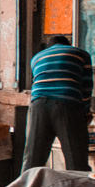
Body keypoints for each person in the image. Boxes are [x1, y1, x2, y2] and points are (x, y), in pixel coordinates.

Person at [23, 35, 94, 172]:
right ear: (68, 44)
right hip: (67, 103)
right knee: (76, 158)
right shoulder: (80, 54)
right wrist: (85, 113)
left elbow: (38, 83)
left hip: (38, 106)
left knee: (33, 158)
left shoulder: (37, 58)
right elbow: (86, 87)